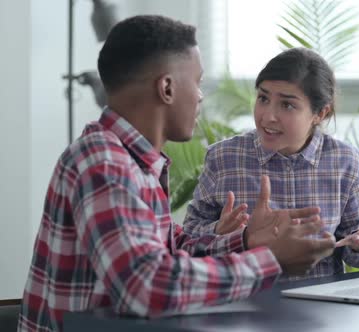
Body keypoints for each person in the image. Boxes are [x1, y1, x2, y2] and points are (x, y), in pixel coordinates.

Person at [18, 15, 336, 332]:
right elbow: (147, 286)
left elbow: (168, 252)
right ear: (167, 88)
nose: (200, 96)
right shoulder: (103, 161)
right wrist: (271, 260)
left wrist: (248, 239)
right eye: (197, 82)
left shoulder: (134, 161)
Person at [183, 48, 359, 280]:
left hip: (320, 308)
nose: (268, 116)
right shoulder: (224, 157)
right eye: (263, 98)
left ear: (320, 113)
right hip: (243, 301)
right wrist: (218, 232)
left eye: (287, 105)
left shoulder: (345, 162)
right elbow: (186, 240)